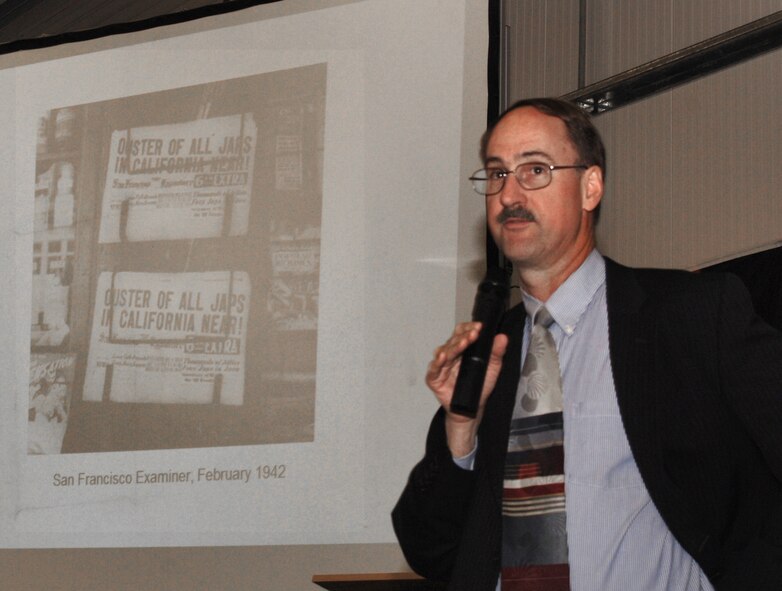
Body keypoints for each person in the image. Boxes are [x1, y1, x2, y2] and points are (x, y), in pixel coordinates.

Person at [392, 97, 782, 590]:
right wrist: (459, 432)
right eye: (496, 174)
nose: (509, 193)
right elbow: (432, 551)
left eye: (534, 169)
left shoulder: (692, 314)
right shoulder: (491, 353)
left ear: (590, 187)